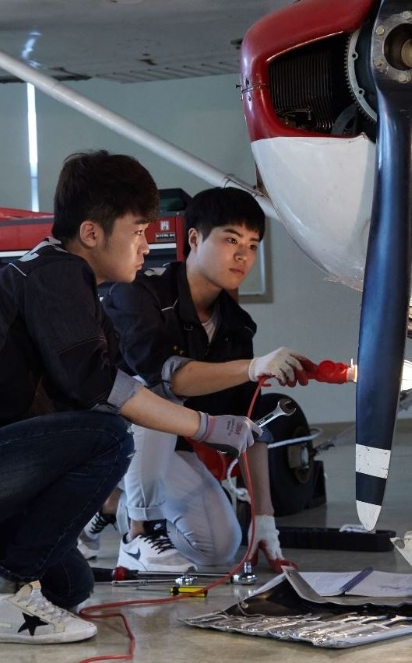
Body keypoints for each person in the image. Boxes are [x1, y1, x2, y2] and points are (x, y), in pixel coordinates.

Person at [0, 152, 259, 645]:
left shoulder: (76, 291)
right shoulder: (54, 272)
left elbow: (124, 384)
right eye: (139, 231)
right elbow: (100, 389)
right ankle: (6, 596)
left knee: (71, 584)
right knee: (106, 438)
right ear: (91, 233)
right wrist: (207, 428)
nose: (147, 246)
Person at [95, 186, 311, 574]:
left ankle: (112, 504)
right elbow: (166, 380)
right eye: (230, 239)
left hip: (160, 449)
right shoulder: (139, 292)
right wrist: (252, 365)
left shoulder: (235, 325)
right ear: (194, 238)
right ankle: (138, 535)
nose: (243, 254)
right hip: (98, 436)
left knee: (218, 548)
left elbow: (249, 424)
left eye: (252, 244)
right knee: (156, 395)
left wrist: (265, 522)